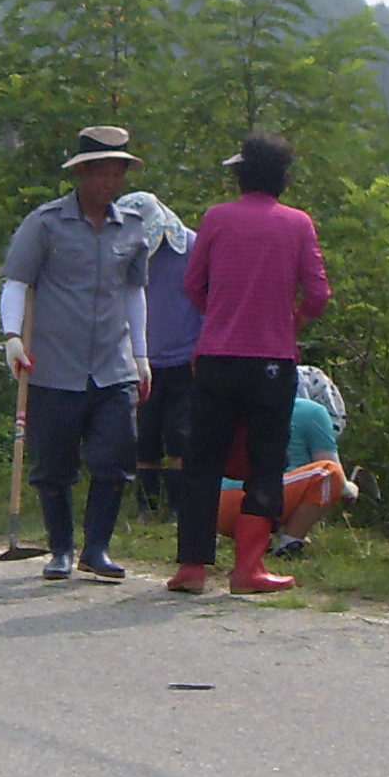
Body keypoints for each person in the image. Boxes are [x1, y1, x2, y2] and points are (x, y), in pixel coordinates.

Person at [1, 125, 164, 583]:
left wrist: (141, 356)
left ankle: (97, 549)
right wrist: (12, 337)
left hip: (113, 367)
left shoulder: (132, 228)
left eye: (118, 174)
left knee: (116, 460)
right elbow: (17, 282)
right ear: (82, 173)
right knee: (53, 466)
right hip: (54, 366)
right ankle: (61, 548)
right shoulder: (46, 224)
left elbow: (134, 293)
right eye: (102, 173)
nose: (110, 183)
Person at [174, 130, 331, 596]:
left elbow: (192, 284)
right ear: (282, 177)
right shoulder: (298, 223)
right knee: (265, 463)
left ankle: (191, 568)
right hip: (272, 361)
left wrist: (221, 314)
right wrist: (292, 322)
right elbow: (318, 294)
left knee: (202, 461)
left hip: (216, 358)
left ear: (241, 175)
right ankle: (248, 568)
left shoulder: (216, 218)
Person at [122, 189, 201, 518]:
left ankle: (178, 507)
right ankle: (147, 505)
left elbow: (207, 299)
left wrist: (202, 348)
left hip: (184, 358)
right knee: (146, 436)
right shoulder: (121, 250)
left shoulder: (192, 247)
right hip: (141, 360)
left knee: (180, 434)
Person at [218, 378, 355, 555]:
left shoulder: (239, 407)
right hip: (255, 501)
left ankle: (260, 541)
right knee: (329, 472)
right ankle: (289, 544)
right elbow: (339, 483)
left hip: (216, 504)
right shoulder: (313, 411)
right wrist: (352, 488)